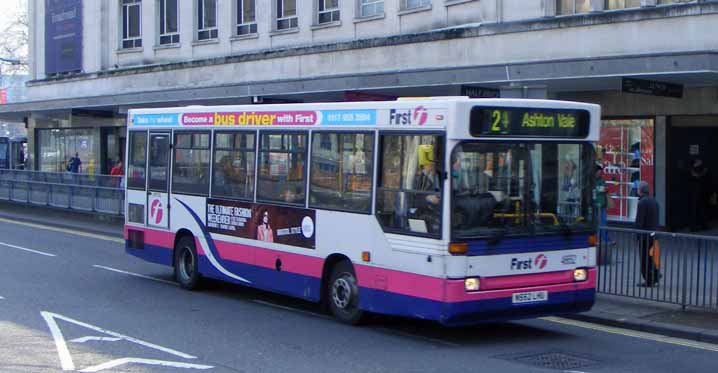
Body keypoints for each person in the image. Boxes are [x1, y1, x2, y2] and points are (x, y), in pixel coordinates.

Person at [635, 181, 660, 287]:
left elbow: (639, 221)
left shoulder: (642, 203)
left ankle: (649, 279)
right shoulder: (654, 201)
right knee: (652, 257)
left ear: (640, 190)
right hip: (654, 233)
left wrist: (637, 236)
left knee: (645, 258)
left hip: (645, 235)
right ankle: (655, 275)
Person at [689, 158, 708, 232]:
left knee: (701, 209)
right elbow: (696, 176)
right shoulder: (693, 169)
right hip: (694, 193)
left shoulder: (700, 168)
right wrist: (703, 172)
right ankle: (694, 227)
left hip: (700, 192)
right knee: (695, 209)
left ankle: (702, 225)